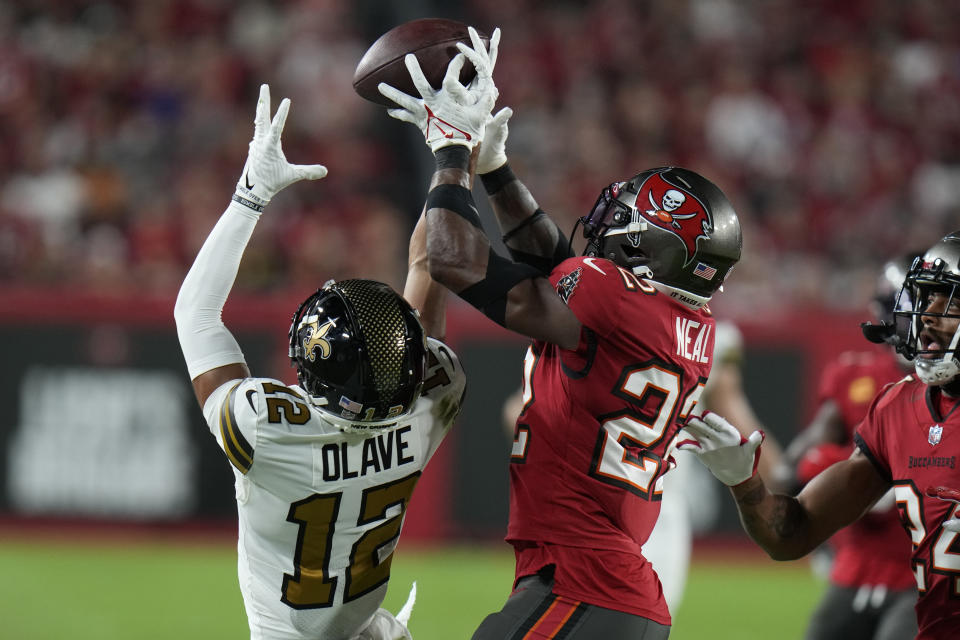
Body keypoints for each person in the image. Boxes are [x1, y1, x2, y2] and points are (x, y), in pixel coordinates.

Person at [378, 28, 742, 638]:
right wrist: (493, 169)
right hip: (607, 590)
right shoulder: (683, 322)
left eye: (626, 219)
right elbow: (552, 263)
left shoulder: (615, 300)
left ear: (654, 246)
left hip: (584, 586)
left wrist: (450, 151)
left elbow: (452, 257)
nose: (608, 224)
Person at [173, 84, 466, 640]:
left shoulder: (263, 427)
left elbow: (196, 315)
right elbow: (429, 264)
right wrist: (456, 154)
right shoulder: (431, 400)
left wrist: (250, 194)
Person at [678, 235, 960, 638]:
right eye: (924, 299)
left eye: (947, 302)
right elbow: (792, 534)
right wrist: (743, 481)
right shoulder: (898, 406)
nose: (926, 317)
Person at [781, 255, 920, 640]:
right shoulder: (857, 376)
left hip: (930, 570)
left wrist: (830, 464)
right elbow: (793, 468)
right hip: (859, 564)